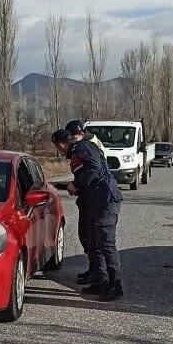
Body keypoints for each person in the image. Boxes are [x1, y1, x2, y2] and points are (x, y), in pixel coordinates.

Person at [52, 128, 124, 301]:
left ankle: (116, 285)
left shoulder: (82, 148)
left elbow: (94, 168)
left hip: (106, 200)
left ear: (61, 144)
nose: (59, 150)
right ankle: (100, 279)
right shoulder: (79, 150)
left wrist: (76, 184)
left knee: (106, 243)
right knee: (93, 241)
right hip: (96, 201)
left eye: (57, 146)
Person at [65, 120, 108, 285]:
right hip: (92, 192)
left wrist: (77, 184)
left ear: (79, 133)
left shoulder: (87, 145)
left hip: (95, 193)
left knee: (93, 236)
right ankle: (94, 270)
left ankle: (99, 274)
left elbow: (93, 168)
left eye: (73, 137)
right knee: (87, 235)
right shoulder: (90, 142)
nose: (72, 141)